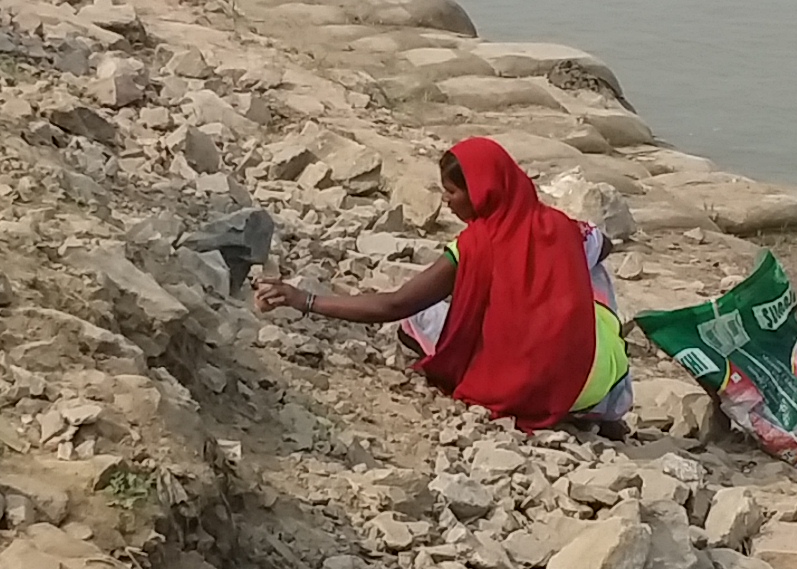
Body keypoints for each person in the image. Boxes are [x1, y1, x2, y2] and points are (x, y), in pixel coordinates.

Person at [254, 138, 633, 433]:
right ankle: (614, 402)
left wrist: (304, 300)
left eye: (452, 192)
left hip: (519, 389)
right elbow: (607, 245)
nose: (447, 202)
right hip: (589, 379)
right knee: (592, 261)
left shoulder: (470, 248)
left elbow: (393, 306)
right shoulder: (561, 227)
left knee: (417, 320)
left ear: (482, 193)